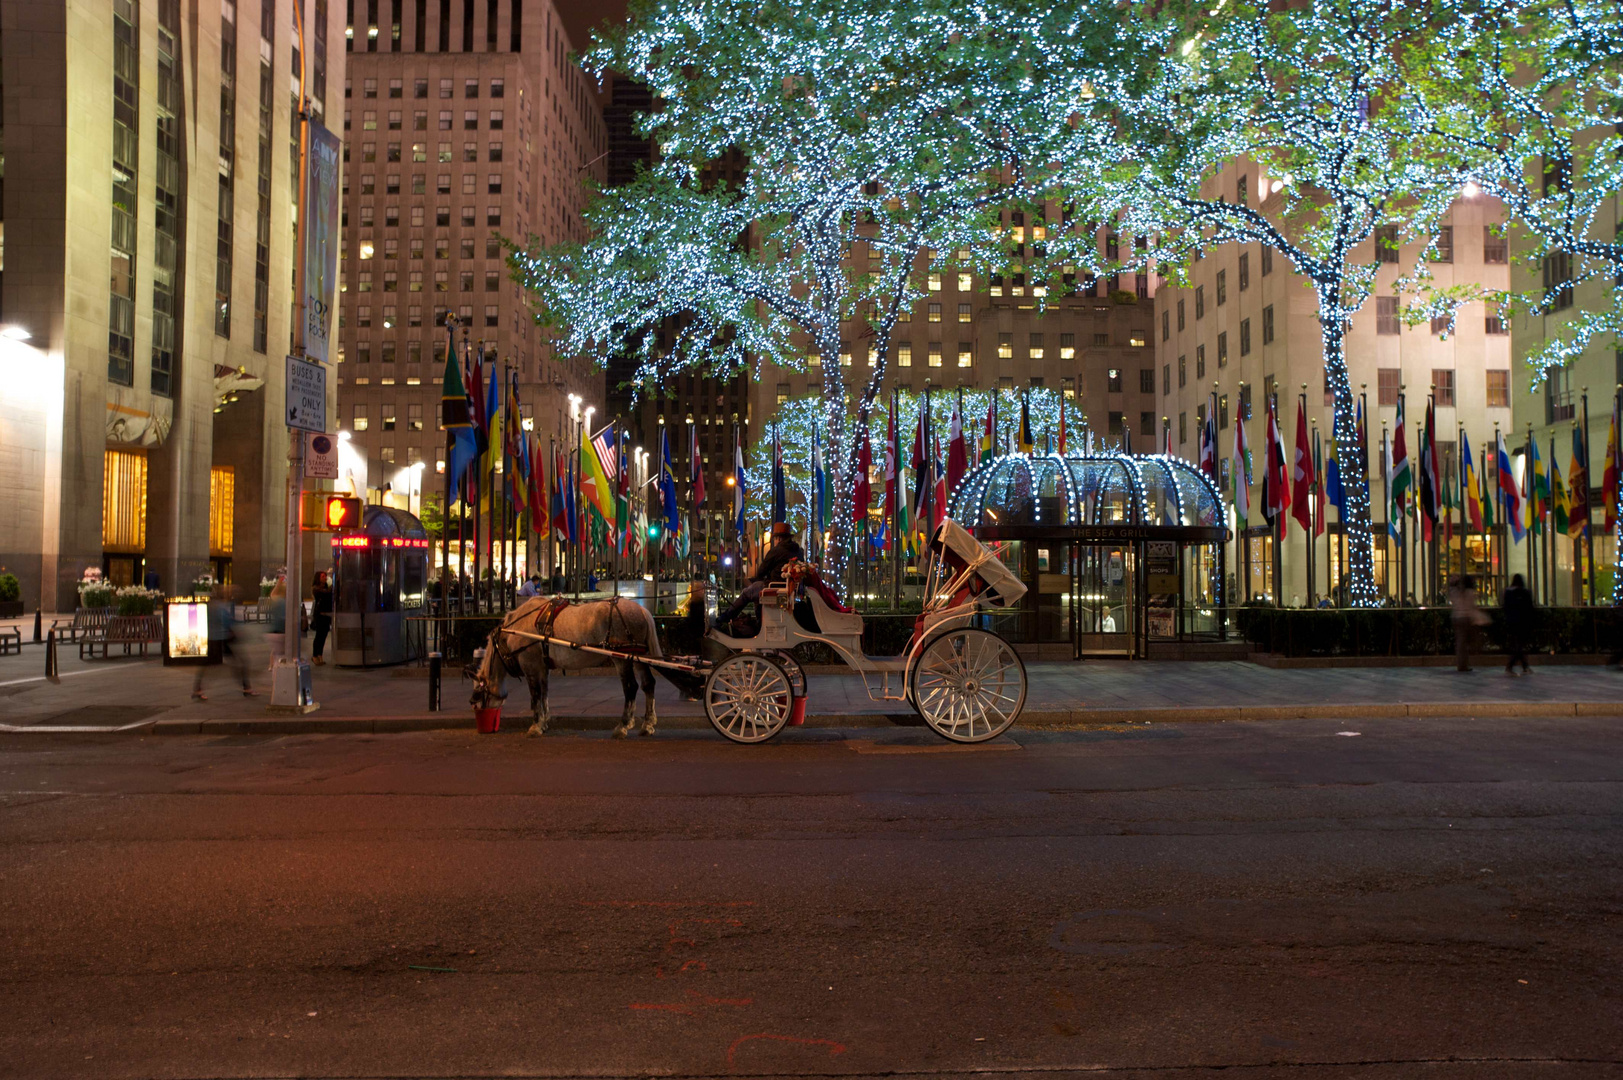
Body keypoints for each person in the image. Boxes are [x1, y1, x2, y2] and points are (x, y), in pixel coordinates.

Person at [713, 522, 805, 628]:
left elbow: (761, 571)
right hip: (790, 588)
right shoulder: (798, 551)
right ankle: (760, 624)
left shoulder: (776, 550)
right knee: (756, 594)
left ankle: (725, 617)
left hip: (774, 586)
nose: (774, 541)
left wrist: (756, 580)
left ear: (778, 538)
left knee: (747, 593)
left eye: (774, 539)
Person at [193, 585, 256, 701]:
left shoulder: (209, 606)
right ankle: (246, 687)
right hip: (223, 638)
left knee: (207, 664)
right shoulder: (221, 607)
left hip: (212, 638)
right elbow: (227, 621)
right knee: (242, 661)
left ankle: (197, 688)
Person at [1448, 574, 1488, 672]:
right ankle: (1464, 664)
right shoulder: (1470, 593)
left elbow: (1451, 589)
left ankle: (1462, 664)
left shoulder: (1454, 592)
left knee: (1461, 642)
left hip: (1456, 617)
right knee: (1465, 642)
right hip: (1466, 618)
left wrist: (1453, 582)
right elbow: (1472, 607)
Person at [1501, 573, 1533, 676]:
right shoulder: (1524, 592)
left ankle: (1524, 666)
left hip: (1511, 621)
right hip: (1522, 621)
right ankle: (1515, 666)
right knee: (1519, 645)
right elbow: (1529, 608)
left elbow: (1505, 607)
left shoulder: (1508, 592)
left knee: (1517, 644)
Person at [310, 571, 333, 665]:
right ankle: (315, 655)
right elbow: (326, 594)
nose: (325, 578)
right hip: (320, 614)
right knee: (319, 636)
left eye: (325, 576)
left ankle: (320, 655)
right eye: (323, 576)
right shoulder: (316, 589)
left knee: (324, 636)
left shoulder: (326, 587)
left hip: (327, 614)